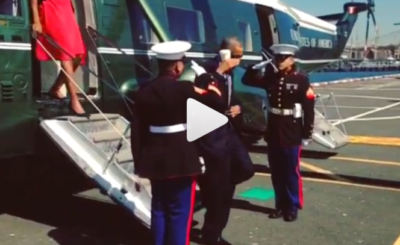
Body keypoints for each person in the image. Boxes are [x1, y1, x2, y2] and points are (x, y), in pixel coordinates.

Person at [130, 40, 231, 245]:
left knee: (159, 208)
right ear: (177, 66)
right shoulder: (184, 89)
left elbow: (137, 130)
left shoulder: (143, 91)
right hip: (181, 158)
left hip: (154, 157)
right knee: (180, 212)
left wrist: (139, 161)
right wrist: (206, 77)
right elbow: (218, 103)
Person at [242, 44, 315, 222]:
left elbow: (308, 109)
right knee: (276, 172)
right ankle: (280, 205)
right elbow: (247, 81)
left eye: (283, 58)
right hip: (274, 131)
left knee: (291, 172)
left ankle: (292, 206)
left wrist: (307, 133)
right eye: (277, 58)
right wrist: (253, 68)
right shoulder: (270, 78)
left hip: (292, 131)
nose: (279, 61)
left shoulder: (301, 80)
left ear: (292, 60)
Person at [196, 37, 254, 245]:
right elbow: (206, 99)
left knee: (246, 169)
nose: (240, 60)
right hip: (212, 135)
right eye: (237, 56)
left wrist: (238, 108)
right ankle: (213, 235)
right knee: (219, 193)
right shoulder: (207, 72)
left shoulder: (229, 74)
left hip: (229, 132)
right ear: (225, 54)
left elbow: (231, 98)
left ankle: (216, 190)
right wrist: (219, 72)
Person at [31, 0, 87, 116]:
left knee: (78, 55)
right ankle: (74, 99)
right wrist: (36, 20)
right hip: (53, 11)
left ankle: (55, 89)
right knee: (65, 53)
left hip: (67, 14)